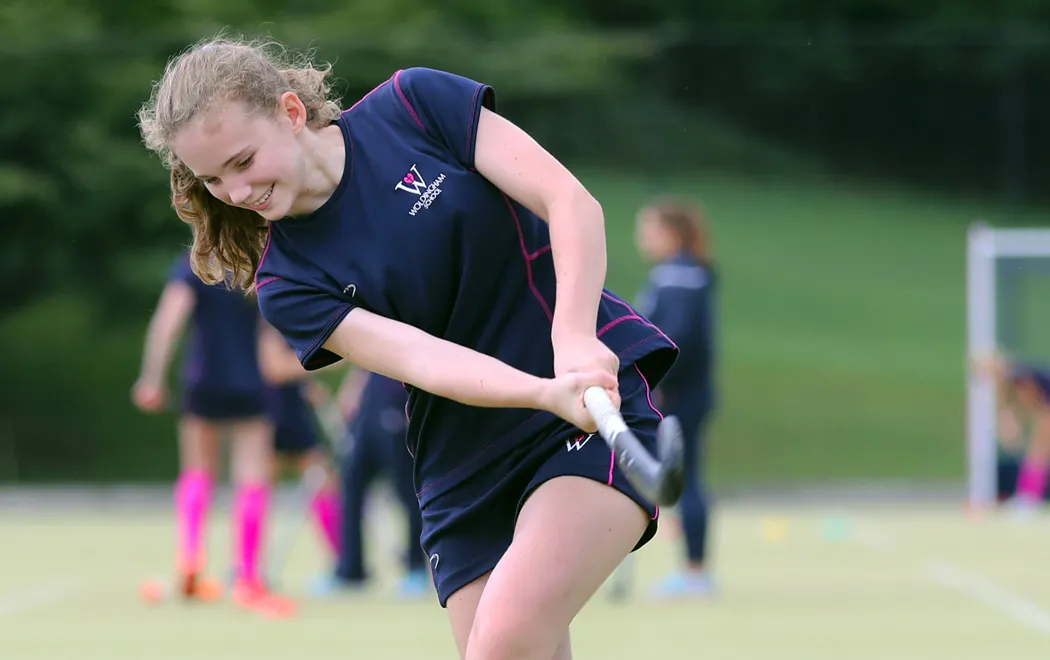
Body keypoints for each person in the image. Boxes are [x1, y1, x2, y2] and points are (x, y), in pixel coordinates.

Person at [138, 34, 677, 660]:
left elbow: (568, 201)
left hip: (580, 419)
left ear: (290, 111)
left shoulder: (414, 104)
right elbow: (423, 358)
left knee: (501, 644)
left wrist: (573, 335)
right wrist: (543, 391)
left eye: (243, 161)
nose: (236, 193)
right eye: (213, 179)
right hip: (464, 460)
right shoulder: (286, 283)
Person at [132, 251, 295, 618]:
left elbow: (168, 320)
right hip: (250, 381)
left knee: (197, 469)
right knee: (252, 475)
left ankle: (191, 555)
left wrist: (152, 377)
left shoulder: (195, 262)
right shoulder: (255, 260)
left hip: (203, 381)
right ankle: (248, 575)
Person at [634, 198, 719, 598]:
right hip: (684, 394)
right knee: (683, 480)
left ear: (671, 233)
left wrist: (660, 383)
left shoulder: (679, 278)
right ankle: (692, 569)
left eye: (648, 230)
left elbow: (679, 340)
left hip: (680, 396)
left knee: (688, 480)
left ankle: (695, 572)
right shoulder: (679, 274)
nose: (641, 238)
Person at [311, 370, 429, 598]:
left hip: (396, 402)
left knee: (408, 492)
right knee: (351, 487)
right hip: (369, 406)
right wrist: (353, 387)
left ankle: (416, 568)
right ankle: (350, 570)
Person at [257, 324, 343, 566]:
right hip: (276, 415)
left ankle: (341, 560)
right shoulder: (270, 321)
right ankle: (250, 565)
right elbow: (274, 368)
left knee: (323, 485)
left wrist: (308, 388)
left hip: (290, 412)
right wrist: (325, 362)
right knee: (260, 487)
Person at [973, 352, 1050, 512]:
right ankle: (1028, 497)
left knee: (1038, 451)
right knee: (1037, 452)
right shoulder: (1016, 379)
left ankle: (1029, 497)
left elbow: (1034, 406)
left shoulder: (1019, 378)